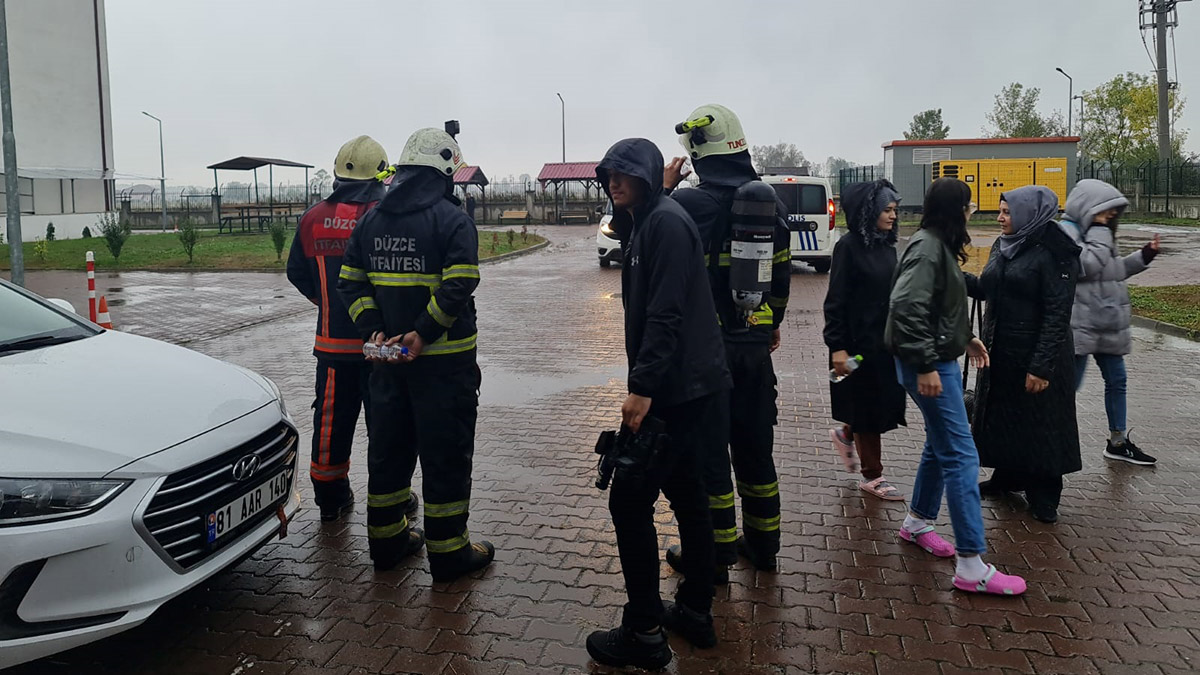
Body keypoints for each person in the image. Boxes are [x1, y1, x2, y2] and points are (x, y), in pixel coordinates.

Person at [585, 138, 732, 670]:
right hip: (692, 386)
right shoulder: (652, 218)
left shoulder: (665, 224)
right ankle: (694, 611)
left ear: (644, 175)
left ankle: (644, 631)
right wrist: (659, 188)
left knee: (628, 502)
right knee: (690, 498)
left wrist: (642, 388)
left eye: (623, 174)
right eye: (607, 176)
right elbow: (630, 232)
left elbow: (666, 314)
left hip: (675, 390)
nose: (612, 183)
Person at [337, 127, 494, 581]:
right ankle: (449, 553)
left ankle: (386, 545)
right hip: (444, 368)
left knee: (389, 451)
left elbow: (350, 281)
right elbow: (459, 282)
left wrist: (376, 331)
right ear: (445, 170)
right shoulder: (452, 220)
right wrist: (422, 335)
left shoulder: (371, 219)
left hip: (386, 364)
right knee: (445, 455)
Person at [661, 103, 790, 580]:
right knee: (756, 452)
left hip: (710, 357)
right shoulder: (770, 203)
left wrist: (663, 189)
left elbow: (651, 253)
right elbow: (779, 279)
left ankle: (712, 556)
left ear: (697, 152)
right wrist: (768, 323)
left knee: (710, 458)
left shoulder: (688, 204)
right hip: (756, 352)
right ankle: (763, 546)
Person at [886, 177, 1026, 596]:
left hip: (933, 359)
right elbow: (906, 307)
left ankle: (916, 522)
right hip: (930, 365)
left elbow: (937, 303)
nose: (973, 213)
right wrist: (927, 363)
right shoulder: (929, 249)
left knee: (941, 443)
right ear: (955, 210)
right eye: (968, 206)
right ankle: (971, 564)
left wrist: (964, 337)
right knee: (962, 455)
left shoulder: (933, 244)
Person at [287, 135, 420, 522]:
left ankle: (331, 499)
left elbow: (297, 273)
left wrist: (326, 304)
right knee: (387, 427)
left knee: (330, 422)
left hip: (332, 347)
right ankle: (392, 497)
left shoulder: (313, 218)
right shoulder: (387, 216)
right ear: (381, 174)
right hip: (382, 347)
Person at [967, 186, 1081, 523]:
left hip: (1039, 355)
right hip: (1002, 350)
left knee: (1041, 423)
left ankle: (1045, 494)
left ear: (1029, 215)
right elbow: (990, 287)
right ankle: (1007, 478)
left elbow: (1058, 313)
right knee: (1005, 417)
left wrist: (1041, 367)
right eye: (1000, 211)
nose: (1000, 218)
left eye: (1007, 213)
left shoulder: (1057, 251)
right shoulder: (1005, 245)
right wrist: (953, 279)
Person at [1059, 179, 1161, 465]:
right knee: (1068, 388)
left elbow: (1112, 271)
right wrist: (1102, 229)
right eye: (1106, 211)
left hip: (1107, 326)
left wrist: (1144, 256)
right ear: (1088, 207)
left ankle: (1118, 442)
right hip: (1079, 325)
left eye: (1114, 213)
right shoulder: (1068, 231)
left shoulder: (1097, 234)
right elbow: (1085, 267)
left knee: (1117, 381)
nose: (1111, 217)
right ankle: (1048, 436)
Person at [823, 179, 907, 500]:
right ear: (868, 211)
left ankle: (846, 433)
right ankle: (873, 475)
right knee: (866, 404)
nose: (893, 216)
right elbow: (835, 301)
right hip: (853, 347)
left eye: (895, 210)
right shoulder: (848, 246)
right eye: (886, 209)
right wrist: (838, 348)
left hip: (881, 346)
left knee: (872, 402)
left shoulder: (886, 245)